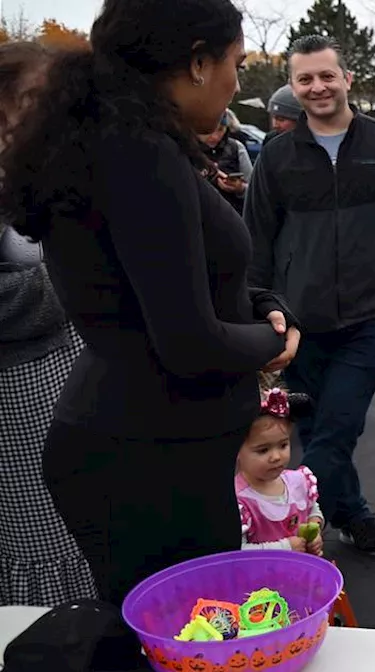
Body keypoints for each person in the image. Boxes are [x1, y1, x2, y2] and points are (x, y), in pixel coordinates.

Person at [0, 0, 298, 605]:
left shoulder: (118, 141)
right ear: (196, 62)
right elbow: (187, 341)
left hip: (148, 444)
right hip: (146, 457)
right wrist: (278, 339)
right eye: (235, 64)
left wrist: (260, 303)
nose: (237, 82)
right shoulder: (138, 151)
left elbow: (161, 282)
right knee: (180, 636)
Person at [244, 34, 375, 557]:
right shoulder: (277, 157)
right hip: (295, 327)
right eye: (305, 78)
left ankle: (288, 525)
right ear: (293, 86)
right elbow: (256, 240)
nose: (317, 87)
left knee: (336, 431)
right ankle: (353, 517)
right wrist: (258, 309)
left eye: (327, 76)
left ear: (347, 80)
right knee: (312, 427)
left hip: (365, 320)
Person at [0, 41, 97, 608]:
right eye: (38, 100)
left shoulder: (42, 167)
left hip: (70, 376)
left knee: (84, 526)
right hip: (18, 394)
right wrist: (75, 285)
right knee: (43, 540)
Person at [236, 379, 324, 556]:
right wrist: (285, 547)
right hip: (259, 580)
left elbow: (312, 509)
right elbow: (239, 551)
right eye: (263, 450)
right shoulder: (238, 500)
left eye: (283, 445)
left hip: (299, 574)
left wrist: (315, 529)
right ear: (235, 450)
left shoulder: (298, 481)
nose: (276, 456)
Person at [197, 111, 253, 213]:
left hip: (231, 215)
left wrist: (240, 188)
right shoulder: (186, 149)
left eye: (220, 130)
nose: (215, 136)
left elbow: (254, 189)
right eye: (210, 131)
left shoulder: (236, 147)